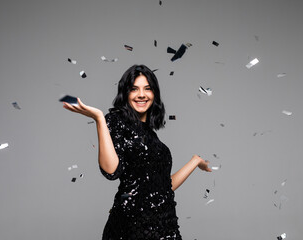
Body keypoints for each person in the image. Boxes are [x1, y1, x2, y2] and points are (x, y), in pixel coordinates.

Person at [62, 64, 211, 239]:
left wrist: (194, 161)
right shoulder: (116, 121)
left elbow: (163, 187)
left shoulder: (153, 137)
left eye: (147, 89)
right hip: (131, 228)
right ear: (126, 94)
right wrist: (99, 119)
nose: (141, 94)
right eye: (134, 89)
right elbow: (111, 171)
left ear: (154, 94)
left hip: (165, 227)